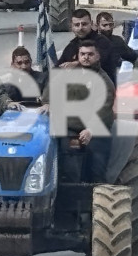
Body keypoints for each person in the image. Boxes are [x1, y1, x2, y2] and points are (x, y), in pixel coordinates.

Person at [44, 40, 115, 182]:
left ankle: (95, 192)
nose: (86, 57)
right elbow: (50, 90)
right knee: (70, 152)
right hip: (72, 130)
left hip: (96, 132)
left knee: (96, 164)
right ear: (78, 55)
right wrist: (47, 103)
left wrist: (90, 130)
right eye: (82, 54)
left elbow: (104, 109)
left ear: (97, 56)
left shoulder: (104, 81)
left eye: (90, 54)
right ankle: (71, 191)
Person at [57, 9, 117, 83]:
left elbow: (97, 62)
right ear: (71, 26)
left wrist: (76, 64)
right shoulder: (71, 46)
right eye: (77, 25)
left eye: (84, 24)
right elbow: (57, 68)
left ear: (91, 24)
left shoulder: (102, 42)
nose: (80, 28)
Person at [0, 46, 48, 110]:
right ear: (12, 65)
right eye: (19, 63)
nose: (24, 66)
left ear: (31, 62)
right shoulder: (6, 82)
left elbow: (50, 100)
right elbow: (0, 101)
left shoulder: (44, 78)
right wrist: (9, 104)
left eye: (27, 62)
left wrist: (47, 105)